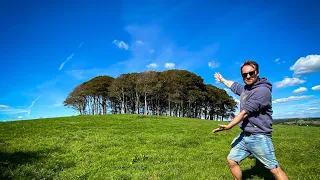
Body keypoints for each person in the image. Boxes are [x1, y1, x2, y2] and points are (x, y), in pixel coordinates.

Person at [212, 60, 288, 180]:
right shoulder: (245, 89)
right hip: (245, 135)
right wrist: (222, 80)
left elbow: (244, 113)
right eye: (244, 74)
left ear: (257, 72)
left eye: (251, 73)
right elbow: (233, 85)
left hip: (259, 136)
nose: (248, 76)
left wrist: (229, 126)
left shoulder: (263, 91)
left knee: (274, 169)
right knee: (232, 159)